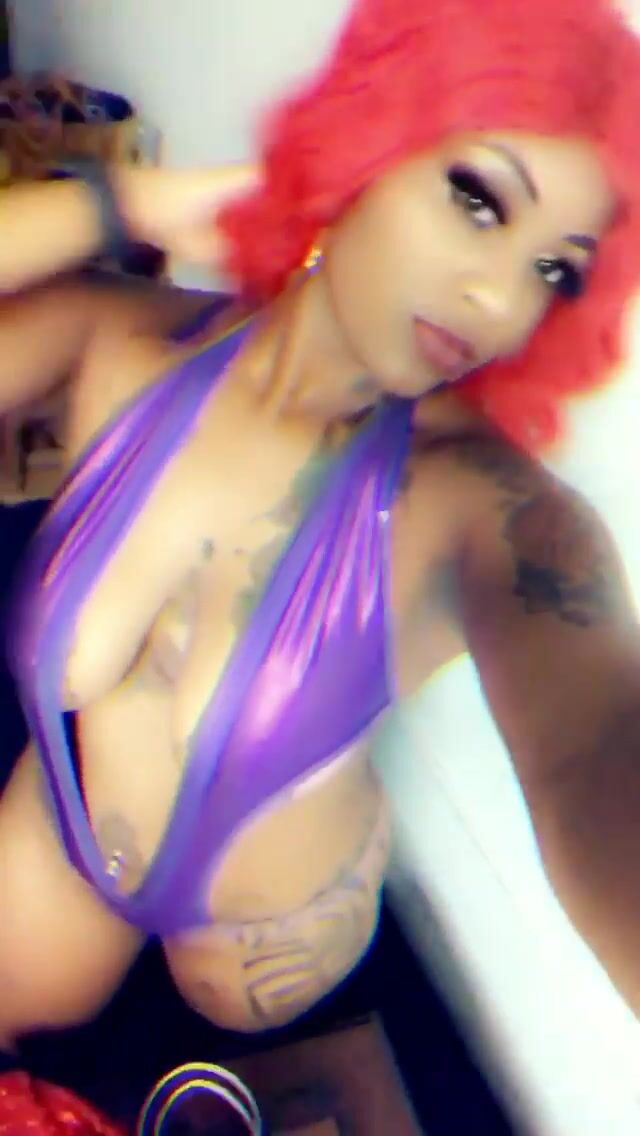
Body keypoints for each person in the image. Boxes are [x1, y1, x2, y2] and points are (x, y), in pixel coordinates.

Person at [2, 0, 640, 1058]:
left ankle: (353, 820)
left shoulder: (482, 505)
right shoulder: (118, 343)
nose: (498, 303)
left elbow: (596, 756)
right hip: (68, 841)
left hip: (272, 943)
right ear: (371, 138)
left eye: (553, 270)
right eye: (478, 199)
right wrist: (128, 201)